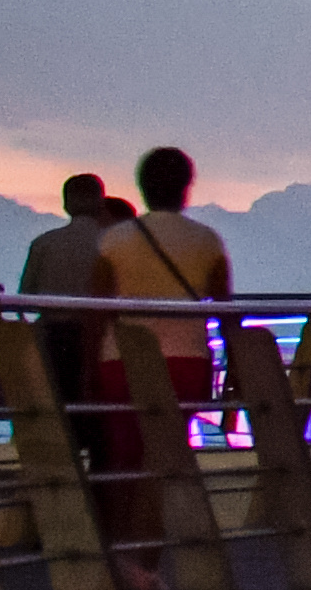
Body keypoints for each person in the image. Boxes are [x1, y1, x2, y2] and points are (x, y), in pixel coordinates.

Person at [92, 145, 235, 525]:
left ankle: (121, 545)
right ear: (187, 187)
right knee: (166, 459)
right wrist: (236, 366)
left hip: (120, 362)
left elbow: (96, 311)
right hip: (187, 361)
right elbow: (225, 310)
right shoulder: (207, 241)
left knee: (124, 456)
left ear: (141, 186)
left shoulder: (114, 241)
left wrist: (87, 368)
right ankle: (149, 555)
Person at [20, 172, 128, 410]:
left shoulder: (44, 244)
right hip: (103, 340)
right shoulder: (116, 245)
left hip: (53, 338)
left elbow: (26, 297)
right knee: (100, 413)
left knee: (60, 411)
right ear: (101, 201)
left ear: (66, 204)